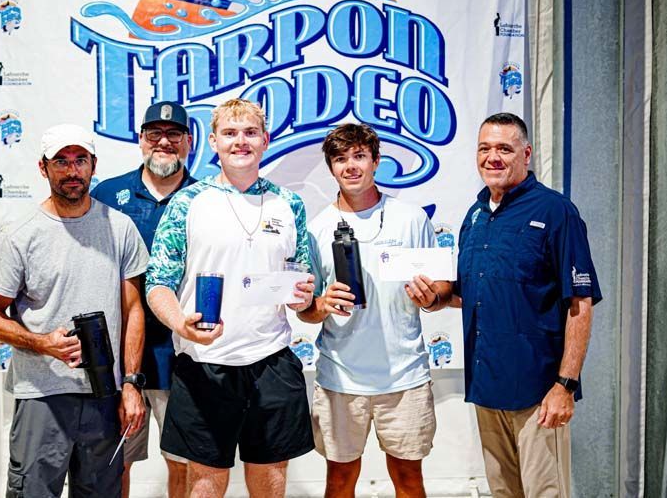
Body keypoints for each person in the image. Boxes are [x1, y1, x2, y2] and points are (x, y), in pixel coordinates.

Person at [145, 98, 316, 498]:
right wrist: (178, 321)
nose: (241, 141)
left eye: (250, 132)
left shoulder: (289, 204)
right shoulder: (188, 202)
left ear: (266, 140)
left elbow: (300, 282)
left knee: (272, 477)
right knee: (206, 482)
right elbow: (157, 283)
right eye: (230, 133)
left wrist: (302, 296)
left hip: (271, 360)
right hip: (205, 363)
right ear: (213, 142)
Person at [0, 124, 147, 498]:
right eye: (61, 162)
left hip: (105, 394)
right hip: (42, 393)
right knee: (34, 492)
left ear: (92, 165)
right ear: (44, 168)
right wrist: (42, 343)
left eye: (80, 161)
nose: (72, 171)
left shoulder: (120, 229)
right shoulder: (19, 234)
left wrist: (131, 384)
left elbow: (134, 310)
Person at [297, 123, 452, 498]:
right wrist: (321, 304)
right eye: (339, 159)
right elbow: (306, 310)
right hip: (340, 377)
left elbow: (445, 288)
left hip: (404, 376)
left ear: (376, 161)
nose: (350, 166)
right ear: (331, 168)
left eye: (359, 156)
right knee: (338, 481)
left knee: (409, 480)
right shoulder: (316, 229)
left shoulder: (411, 218)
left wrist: (430, 297)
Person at [451, 113, 601, 497]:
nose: (493, 157)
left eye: (505, 148)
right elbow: (473, 292)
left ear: (527, 154)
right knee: (504, 493)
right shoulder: (476, 214)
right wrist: (432, 298)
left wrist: (565, 386)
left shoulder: (555, 211)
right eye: (485, 148)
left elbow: (580, 302)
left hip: (538, 393)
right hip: (487, 388)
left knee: (544, 493)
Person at [91, 101, 196, 498]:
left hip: (182, 354)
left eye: (173, 135)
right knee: (116, 458)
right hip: (119, 354)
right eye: (154, 134)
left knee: (183, 460)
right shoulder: (107, 193)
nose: (164, 142)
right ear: (140, 140)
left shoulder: (205, 196)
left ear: (188, 142)